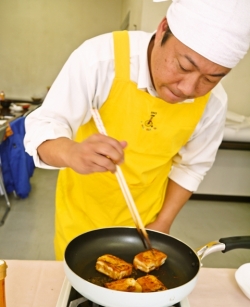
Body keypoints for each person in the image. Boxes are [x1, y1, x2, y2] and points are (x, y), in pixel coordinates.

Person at [24, 0, 250, 260]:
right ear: (163, 28)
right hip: (81, 219)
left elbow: (193, 166)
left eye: (211, 79)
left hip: (146, 222)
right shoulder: (100, 59)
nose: (188, 89)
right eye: (184, 67)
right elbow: (45, 125)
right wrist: (71, 152)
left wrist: (163, 222)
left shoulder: (213, 103)